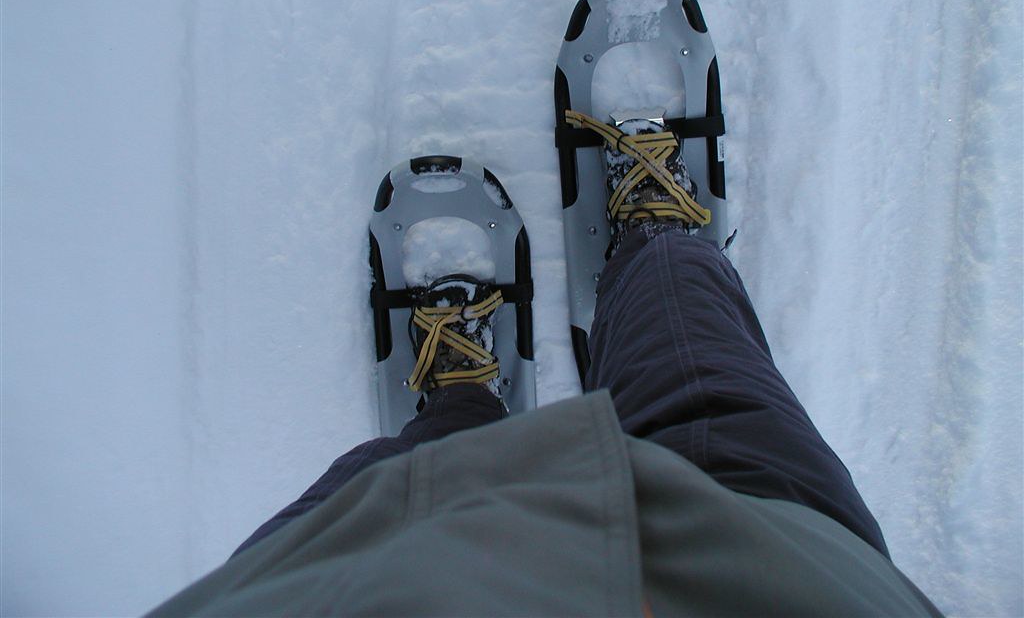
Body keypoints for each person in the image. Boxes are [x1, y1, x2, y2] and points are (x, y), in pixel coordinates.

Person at [148, 117, 943, 617]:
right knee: (698, 366)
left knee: (403, 485)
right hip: (775, 566)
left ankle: (462, 398)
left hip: (347, 587)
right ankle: (652, 244)